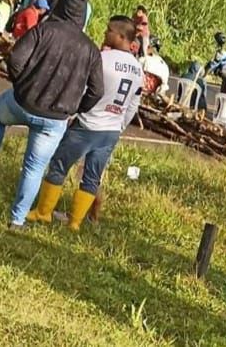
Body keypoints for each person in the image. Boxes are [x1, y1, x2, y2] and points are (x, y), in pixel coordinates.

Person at [0, 0, 103, 229]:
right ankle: (16, 220)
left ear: (59, 7)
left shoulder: (43, 30)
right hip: (56, 118)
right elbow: (97, 90)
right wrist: (75, 109)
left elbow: (15, 59)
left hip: (22, 102)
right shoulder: (90, 50)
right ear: (83, 18)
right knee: (34, 167)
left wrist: (22, 86)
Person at [26, 16, 142, 231]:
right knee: (92, 177)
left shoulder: (103, 58)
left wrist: (73, 112)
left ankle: (43, 212)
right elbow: (133, 104)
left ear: (121, 36)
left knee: (59, 166)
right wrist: (120, 125)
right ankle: (76, 222)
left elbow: (84, 86)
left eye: (109, 30)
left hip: (88, 123)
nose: (105, 33)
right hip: (111, 130)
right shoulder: (137, 69)